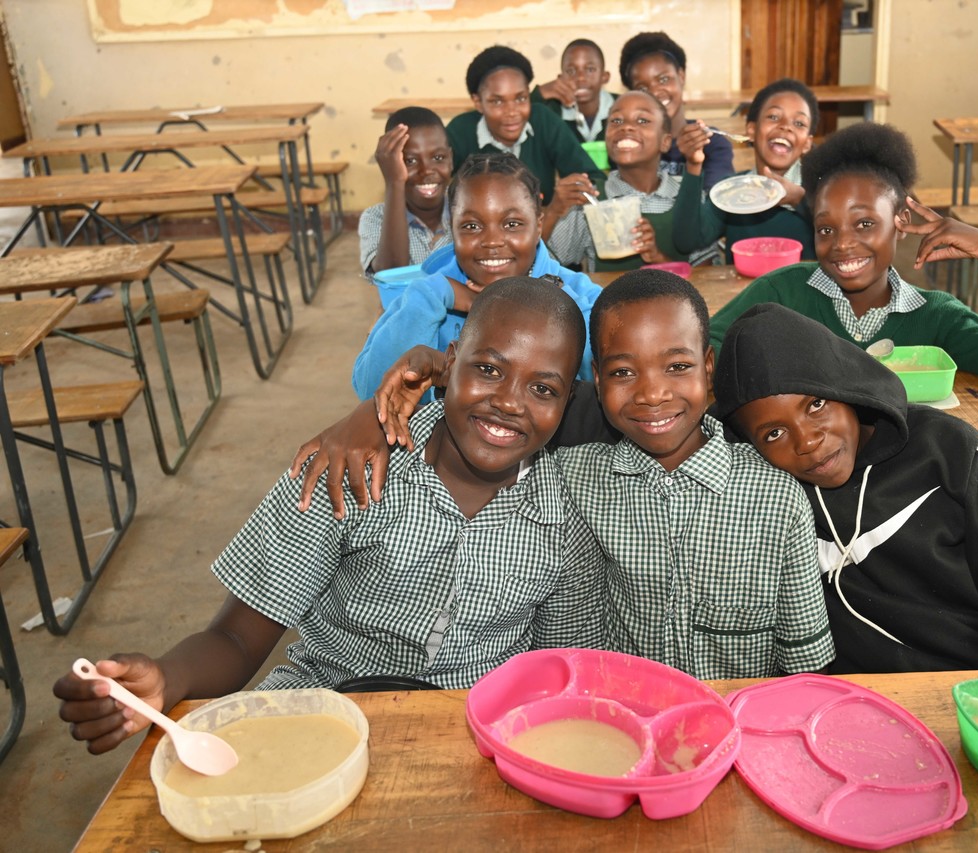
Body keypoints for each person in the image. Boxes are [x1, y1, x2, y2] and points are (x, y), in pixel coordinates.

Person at [54, 278, 606, 755]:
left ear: (568, 401)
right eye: (487, 368)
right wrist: (167, 678)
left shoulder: (569, 516)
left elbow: (556, 670)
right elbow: (237, 638)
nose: (508, 401)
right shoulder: (347, 468)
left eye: (542, 389)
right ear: (450, 359)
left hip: (473, 732)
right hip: (320, 705)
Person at [294, 271, 836, 681]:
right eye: (623, 372)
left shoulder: (776, 496)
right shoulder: (573, 477)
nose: (652, 394)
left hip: (740, 730)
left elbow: (807, 668)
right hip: (619, 721)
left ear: (708, 369)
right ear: (596, 382)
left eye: (677, 366)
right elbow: (501, 411)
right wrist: (380, 411)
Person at [713, 302, 978, 672]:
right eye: (774, 433)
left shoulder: (951, 452)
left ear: (844, 384)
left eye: (816, 404)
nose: (807, 441)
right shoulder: (768, 493)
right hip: (850, 696)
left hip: (977, 680)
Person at [707, 122, 978, 388]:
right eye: (826, 229)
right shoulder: (783, 293)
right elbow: (707, 351)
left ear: (902, 222)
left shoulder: (935, 318)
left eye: (864, 224)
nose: (842, 243)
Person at [357, 152, 601, 397]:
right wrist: (434, 293)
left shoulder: (581, 297)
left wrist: (556, 304)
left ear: (538, 226)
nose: (492, 241)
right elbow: (372, 391)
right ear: (452, 229)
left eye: (512, 224)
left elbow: (604, 381)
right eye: (471, 226)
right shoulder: (425, 296)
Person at [545, 91, 718, 272]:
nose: (626, 127)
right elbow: (539, 264)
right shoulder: (590, 199)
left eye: (642, 120)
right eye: (616, 120)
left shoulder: (688, 193)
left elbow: (703, 277)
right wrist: (553, 212)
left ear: (665, 142)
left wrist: (657, 258)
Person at [672, 78, 819, 262]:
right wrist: (693, 165)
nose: (786, 126)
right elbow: (686, 241)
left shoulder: (821, 190)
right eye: (773, 117)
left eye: (799, 123)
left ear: (807, 143)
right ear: (751, 130)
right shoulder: (731, 192)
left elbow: (837, 232)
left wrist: (799, 200)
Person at [446, 44, 604, 213]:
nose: (512, 112)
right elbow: (435, 179)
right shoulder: (460, 131)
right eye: (497, 101)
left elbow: (594, 178)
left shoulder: (543, 120)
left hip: (544, 225)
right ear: (478, 102)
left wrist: (579, 189)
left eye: (521, 98)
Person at [618, 31, 735, 189]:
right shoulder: (629, 145)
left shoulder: (711, 143)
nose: (655, 92)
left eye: (663, 79)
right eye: (642, 88)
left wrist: (693, 164)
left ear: (681, 76)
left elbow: (714, 200)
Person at [358, 106, 453, 280]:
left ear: (451, 159)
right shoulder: (375, 217)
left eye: (438, 158)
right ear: (390, 166)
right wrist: (394, 182)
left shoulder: (466, 209)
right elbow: (391, 274)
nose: (426, 170)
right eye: (410, 161)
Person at [530, 38, 616, 144]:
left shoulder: (622, 106)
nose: (580, 77)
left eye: (590, 69)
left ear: (604, 76)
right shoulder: (551, 112)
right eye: (571, 71)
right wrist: (539, 94)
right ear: (560, 78)